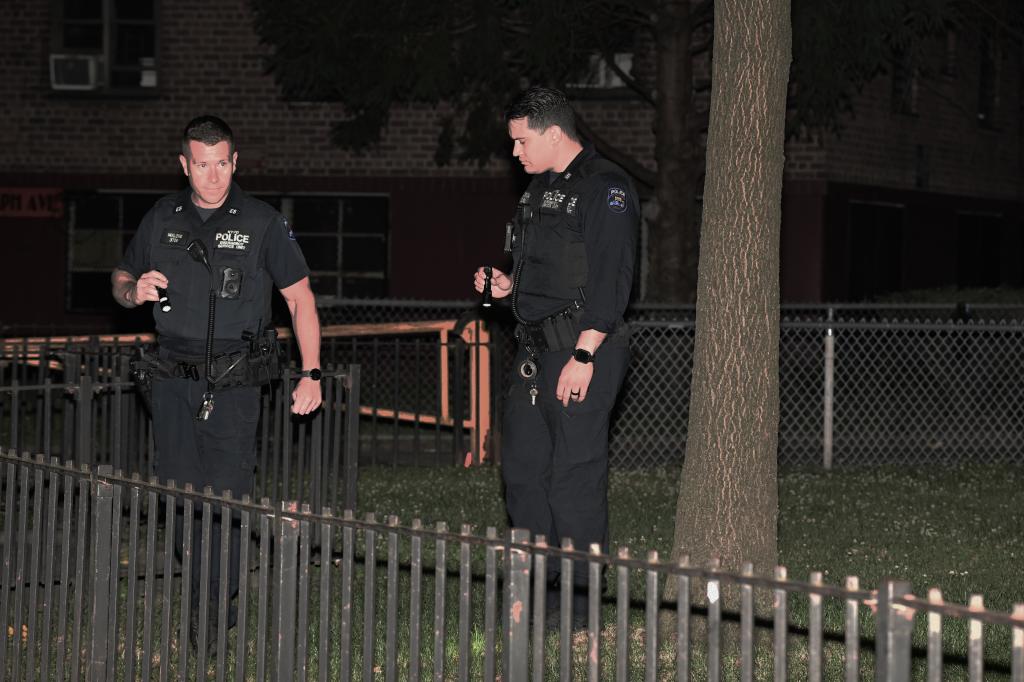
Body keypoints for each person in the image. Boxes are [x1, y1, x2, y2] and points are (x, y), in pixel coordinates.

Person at [111, 115, 323, 652]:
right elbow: (119, 277)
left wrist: (311, 371)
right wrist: (133, 289)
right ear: (185, 165)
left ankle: (210, 610)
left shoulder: (262, 222)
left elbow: (300, 299)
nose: (212, 175)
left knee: (226, 498)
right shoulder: (162, 217)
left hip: (233, 380)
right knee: (180, 498)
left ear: (235, 162)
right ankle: (208, 588)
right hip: (170, 381)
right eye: (201, 164)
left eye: (221, 163)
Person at [473, 87, 638, 629]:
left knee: (574, 478)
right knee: (522, 474)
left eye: (521, 141)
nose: (514, 152)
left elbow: (612, 281)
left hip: (583, 352)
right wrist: (506, 287)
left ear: (552, 133)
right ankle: (536, 598)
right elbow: (549, 272)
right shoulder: (538, 192)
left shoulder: (605, 187)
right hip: (533, 353)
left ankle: (581, 609)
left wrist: (585, 355)